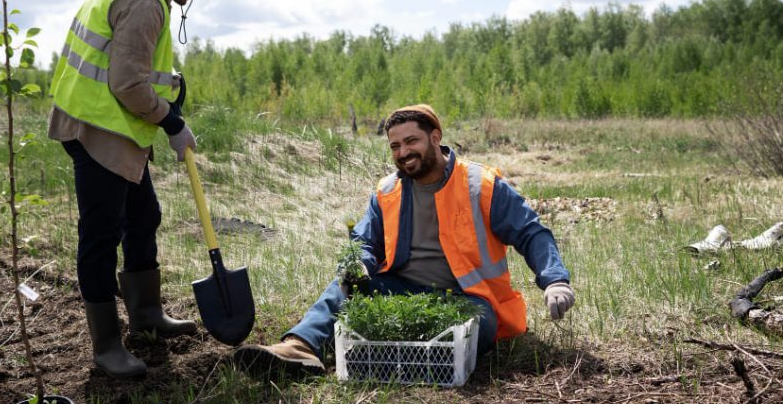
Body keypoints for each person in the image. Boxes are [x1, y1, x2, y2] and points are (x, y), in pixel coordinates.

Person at [234, 104, 575, 376]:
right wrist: (358, 266)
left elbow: (532, 232)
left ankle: (384, 356)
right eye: (395, 146)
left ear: (435, 137)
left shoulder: (480, 184)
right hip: (401, 292)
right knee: (342, 290)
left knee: (477, 330)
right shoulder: (387, 191)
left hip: (469, 300)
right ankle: (301, 348)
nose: (403, 152)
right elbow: (364, 243)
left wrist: (555, 280)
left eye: (411, 141)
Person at [48, 0, 229, 378]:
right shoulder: (146, 3)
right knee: (101, 234)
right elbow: (127, 85)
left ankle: (145, 314)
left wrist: (171, 91)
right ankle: (107, 346)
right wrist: (170, 121)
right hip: (99, 126)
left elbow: (134, 67)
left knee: (143, 216)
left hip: (115, 124)